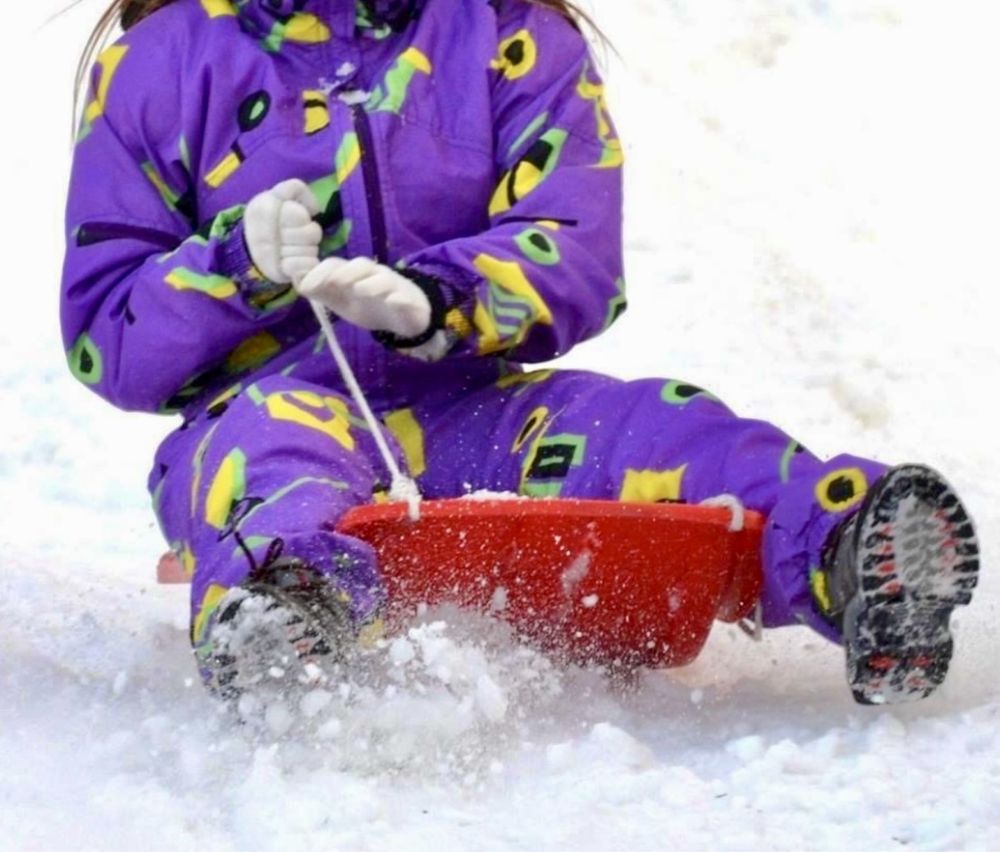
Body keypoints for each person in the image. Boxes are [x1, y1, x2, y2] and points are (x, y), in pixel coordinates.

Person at [62, 0, 979, 709]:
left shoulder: (511, 34)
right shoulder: (160, 62)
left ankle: (853, 554)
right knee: (264, 462)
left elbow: (576, 245)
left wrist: (442, 301)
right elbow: (107, 332)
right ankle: (286, 612)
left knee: (654, 427)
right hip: (270, 409)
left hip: (476, 405)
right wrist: (234, 268)